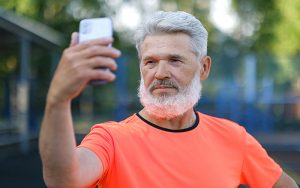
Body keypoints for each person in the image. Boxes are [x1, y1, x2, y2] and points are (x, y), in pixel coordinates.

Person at [39, 11, 298, 188]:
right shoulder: (110, 138)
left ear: (204, 68)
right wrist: (58, 100)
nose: (160, 73)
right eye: (150, 62)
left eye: (175, 60)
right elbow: (64, 180)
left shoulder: (234, 137)